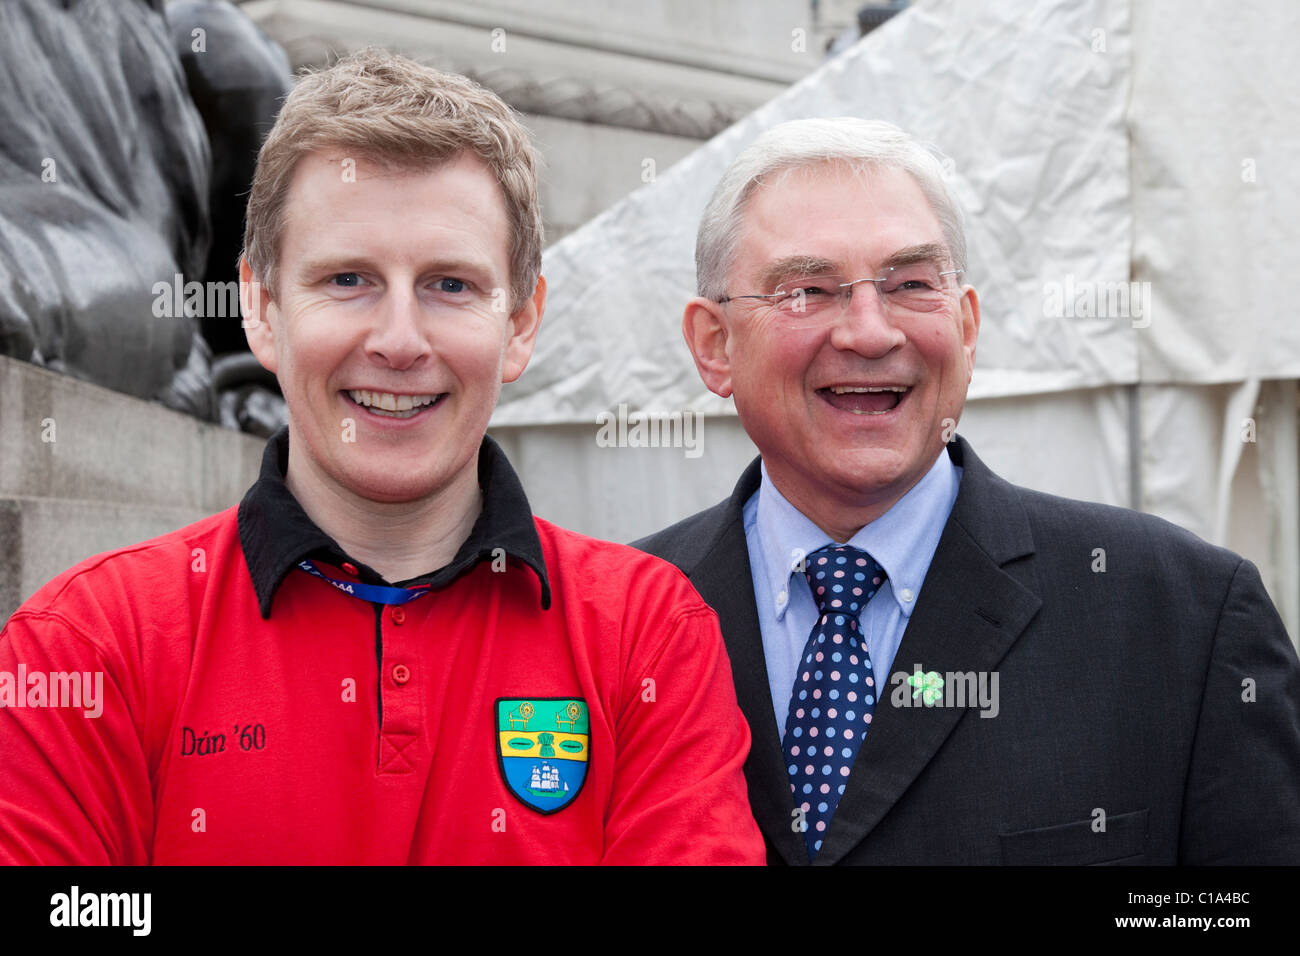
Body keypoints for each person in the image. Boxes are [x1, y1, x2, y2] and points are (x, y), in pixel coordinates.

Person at [0, 49, 764, 866]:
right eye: (348, 279)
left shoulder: (649, 637)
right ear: (259, 308)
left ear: (521, 323)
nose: (400, 342)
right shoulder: (84, 645)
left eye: (450, 286)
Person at [634, 117, 1300, 865]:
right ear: (714, 345)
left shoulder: (1183, 615)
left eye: (911, 285)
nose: (868, 331)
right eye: (808, 289)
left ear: (968, 326)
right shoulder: (616, 624)